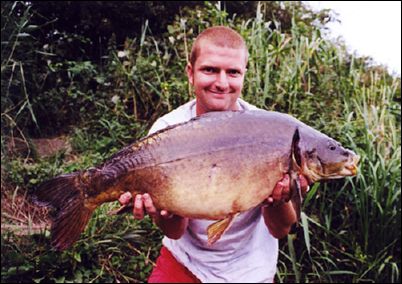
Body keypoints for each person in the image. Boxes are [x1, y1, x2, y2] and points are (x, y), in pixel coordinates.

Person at [119, 26, 309, 283]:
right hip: (184, 263)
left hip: (250, 272)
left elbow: (280, 229)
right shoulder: (167, 131)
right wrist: (163, 210)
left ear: (244, 76)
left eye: (232, 72)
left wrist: (280, 198)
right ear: (190, 73)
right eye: (210, 70)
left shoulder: (270, 131)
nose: (221, 83)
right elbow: (175, 232)